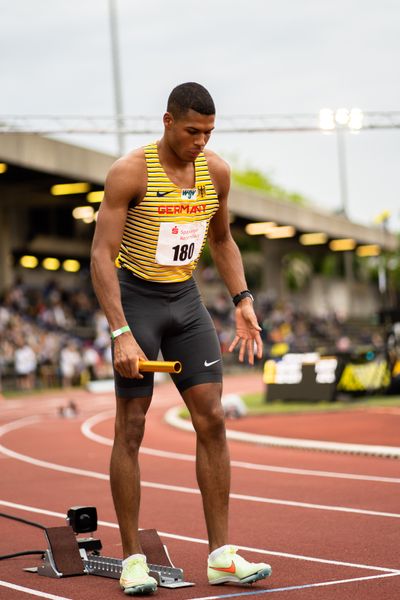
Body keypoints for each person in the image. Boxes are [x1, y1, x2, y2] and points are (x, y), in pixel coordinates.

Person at [90, 82, 272, 596]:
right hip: (137, 301)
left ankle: (220, 557)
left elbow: (221, 239)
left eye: (209, 132)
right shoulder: (130, 172)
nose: (201, 141)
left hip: (185, 302)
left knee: (212, 419)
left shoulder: (215, 171)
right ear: (167, 122)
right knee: (131, 426)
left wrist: (242, 300)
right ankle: (132, 561)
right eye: (193, 131)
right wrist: (121, 332)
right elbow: (101, 255)